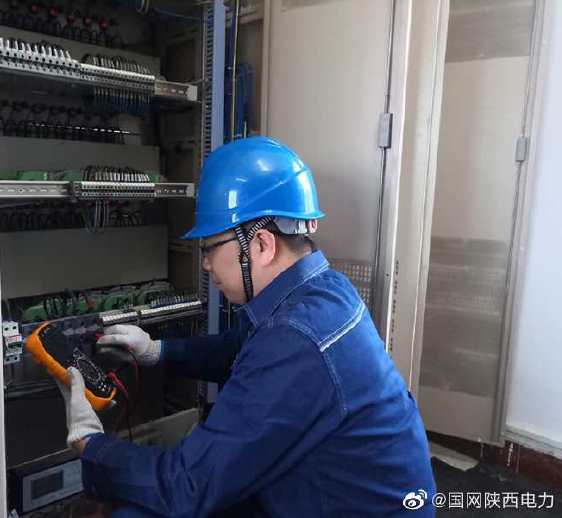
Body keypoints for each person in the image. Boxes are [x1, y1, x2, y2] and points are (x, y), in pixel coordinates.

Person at [57, 136, 436, 517]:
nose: (205, 264)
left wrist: (92, 446)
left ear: (262, 245)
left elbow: (188, 485)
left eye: (209, 247)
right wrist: (158, 351)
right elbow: (241, 350)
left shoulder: (297, 338)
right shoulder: (323, 290)